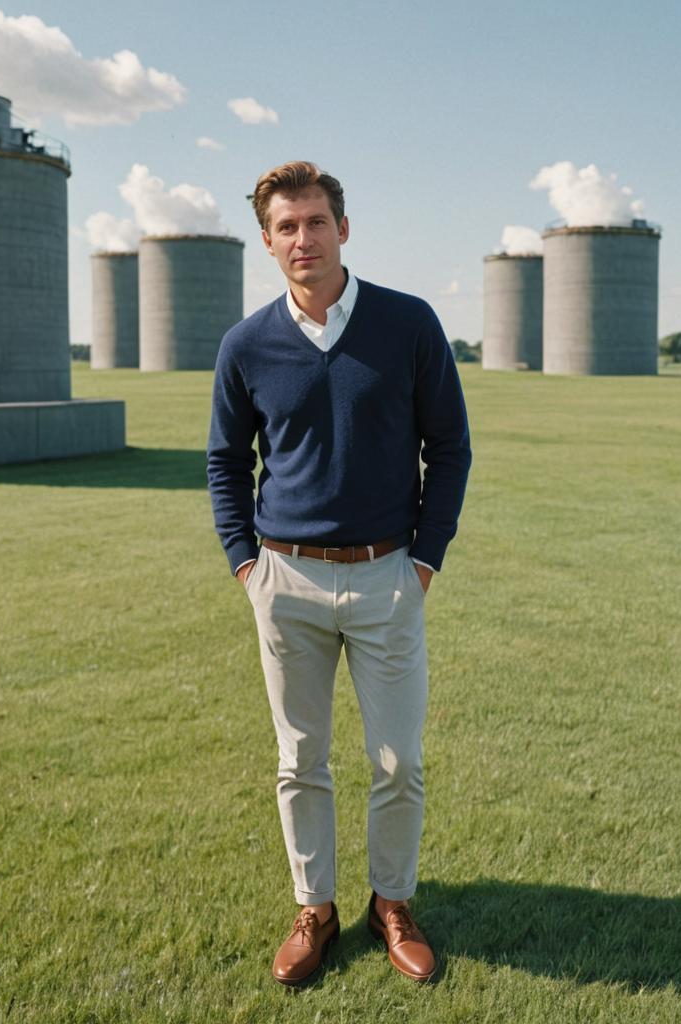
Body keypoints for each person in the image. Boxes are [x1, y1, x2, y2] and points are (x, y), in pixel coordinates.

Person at [206, 161, 471, 986]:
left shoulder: (409, 324)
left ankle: (390, 902)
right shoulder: (246, 344)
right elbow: (225, 460)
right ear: (268, 242)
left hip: (388, 574)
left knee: (399, 760)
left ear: (343, 229)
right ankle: (314, 908)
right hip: (285, 581)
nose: (302, 239)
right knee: (300, 759)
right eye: (285, 227)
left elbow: (450, 449)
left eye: (315, 221)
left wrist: (422, 559)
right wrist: (247, 565)